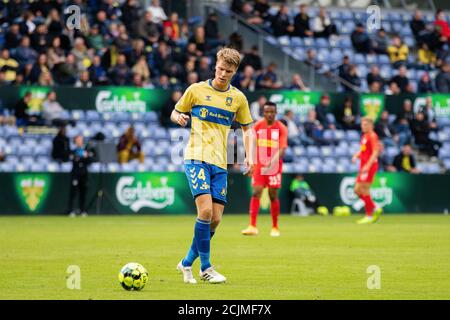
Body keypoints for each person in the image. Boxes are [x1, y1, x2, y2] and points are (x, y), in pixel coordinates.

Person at [170, 47, 254, 284]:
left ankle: (186, 263)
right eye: (219, 69)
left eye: (228, 71)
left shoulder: (238, 98)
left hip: (220, 162)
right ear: (214, 65)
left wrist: (251, 156)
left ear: (234, 71)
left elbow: (248, 129)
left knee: (215, 219)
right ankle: (205, 268)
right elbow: (175, 112)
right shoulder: (196, 90)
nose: (222, 74)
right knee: (205, 211)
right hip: (196, 157)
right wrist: (180, 118)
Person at [241, 101, 287, 237]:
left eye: (272, 112)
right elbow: (251, 144)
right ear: (263, 112)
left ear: (276, 113)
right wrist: (250, 161)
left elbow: (282, 148)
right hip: (260, 165)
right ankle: (252, 226)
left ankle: (275, 226)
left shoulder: (281, 128)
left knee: (273, 195)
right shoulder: (257, 126)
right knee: (256, 192)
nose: (269, 114)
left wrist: (272, 162)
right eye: (267, 111)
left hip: (274, 166)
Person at [351, 117, 383, 224]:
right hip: (363, 165)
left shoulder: (373, 136)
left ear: (371, 126)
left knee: (363, 189)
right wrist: (356, 155)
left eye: (365, 125)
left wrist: (368, 166)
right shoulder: (365, 136)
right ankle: (374, 207)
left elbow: (375, 152)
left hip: (369, 166)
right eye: (362, 125)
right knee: (357, 190)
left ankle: (369, 215)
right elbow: (364, 151)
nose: (363, 126)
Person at [68, 135, 94, 217]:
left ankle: (82, 210)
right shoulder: (73, 151)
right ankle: (71, 210)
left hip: (84, 174)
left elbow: (90, 161)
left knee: (83, 193)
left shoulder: (86, 151)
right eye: (78, 140)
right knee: (73, 193)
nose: (80, 141)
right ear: (75, 141)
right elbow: (74, 160)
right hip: (76, 174)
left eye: (81, 140)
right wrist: (82, 157)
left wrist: (85, 157)